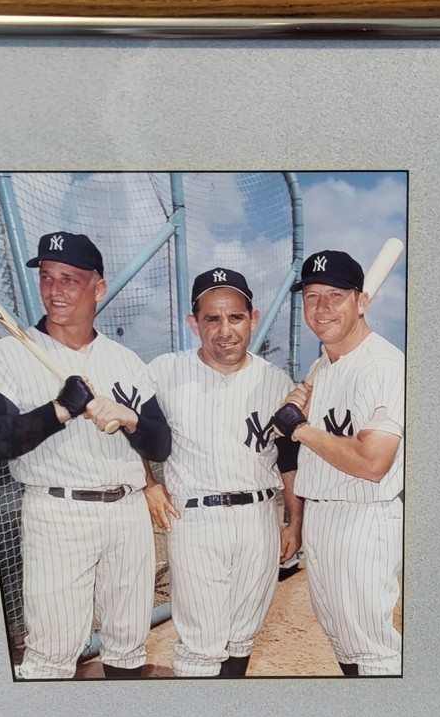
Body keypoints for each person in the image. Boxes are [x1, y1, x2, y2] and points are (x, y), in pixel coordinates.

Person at [0, 231, 171, 679]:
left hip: (127, 512)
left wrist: (131, 419)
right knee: (52, 652)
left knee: (128, 644)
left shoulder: (126, 361)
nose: (55, 290)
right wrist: (59, 409)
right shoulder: (5, 356)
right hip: (58, 511)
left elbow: (161, 444)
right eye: (47, 278)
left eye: (69, 279)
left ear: (98, 288)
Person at [144, 266, 303, 677]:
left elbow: (287, 458)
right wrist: (147, 483)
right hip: (195, 518)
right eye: (211, 319)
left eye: (235, 317)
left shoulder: (275, 380)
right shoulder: (163, 371)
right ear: (193, 324)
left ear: (253, 318)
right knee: (200, 647)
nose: (225, 330)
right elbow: (129, 427)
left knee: (242, 637)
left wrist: (294, 520)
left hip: (258, 518)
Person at [273, 249, 404, 677]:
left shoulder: (384, 366)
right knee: (344, 642)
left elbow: (372, 462)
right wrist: (297, 521)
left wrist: (301, 429)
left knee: (372, 648)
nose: (322, 307)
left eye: (335, 295)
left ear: (361, 302)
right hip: (323, 518)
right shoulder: (321, 366)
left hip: (364, 519)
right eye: (312, 296)